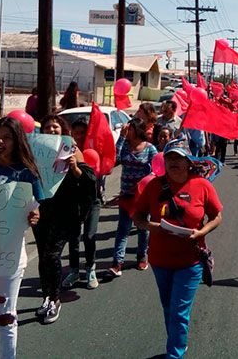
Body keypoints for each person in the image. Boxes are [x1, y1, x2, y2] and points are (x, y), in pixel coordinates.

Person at [133, 140, 223, 359]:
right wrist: (153, 226)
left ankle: (175, 354)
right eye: (170, 158)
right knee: (168, 307)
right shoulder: (154, 186)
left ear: (188, 161)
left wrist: (202, 232)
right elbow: (137, 217)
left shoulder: (201, 185)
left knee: (179, 310)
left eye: (179, 158)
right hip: (160, 259)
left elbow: (217, 216)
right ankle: (178, 341)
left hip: (190, 260)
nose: (174, 162)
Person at [0, 117, 43, 359]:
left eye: (6, 137)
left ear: (17, 140)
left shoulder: (28, 173)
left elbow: (37, 205)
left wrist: (35, 214)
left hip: (9, 255)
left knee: (6, 317)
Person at [33, 115, 96, 324]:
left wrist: (75, 168)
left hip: (64, 212)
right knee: (43, 256)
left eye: (55, 126)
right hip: (43, 211)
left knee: (52, 255)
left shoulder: (72, 149)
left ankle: (55, 298)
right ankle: (46, 297)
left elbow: (89, 180)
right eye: (47, 127)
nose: (51, 130)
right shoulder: (36, 150)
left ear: (63, 130)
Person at [109, 117, 158, 277]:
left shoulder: (150, 148)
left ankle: (141, 256)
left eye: (129, 129)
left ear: (138, 130)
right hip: (126, 195)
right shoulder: (125, 146)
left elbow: (158, 168)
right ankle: (117, 263)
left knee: (142, 228)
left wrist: (146, 181)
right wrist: (121, 138)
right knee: (122, 229)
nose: (126, 131)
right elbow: (115, 159)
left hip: (143, 197)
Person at [62, 119, 101, 290]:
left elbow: (91, 180)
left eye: (83, 132)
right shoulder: (66, 151)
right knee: (74, 238)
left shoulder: (93, 151)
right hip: (73, 202)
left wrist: (77, 167)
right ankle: (74, 270)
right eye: (76, 132)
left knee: (89, 235)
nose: (79, 136)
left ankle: (90, 267)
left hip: (92, 201)